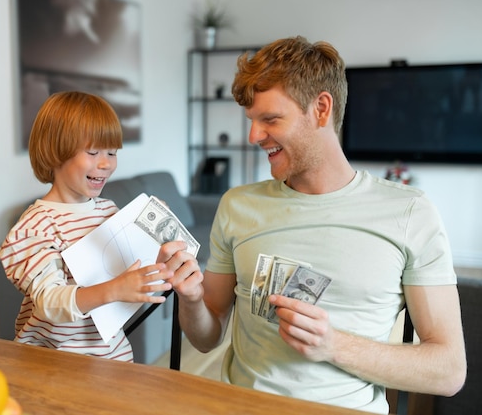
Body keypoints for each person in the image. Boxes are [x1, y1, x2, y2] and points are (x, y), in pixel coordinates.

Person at [171, 36, 466, 414]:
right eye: (251, 121)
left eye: (271, 119)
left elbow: (448, 371)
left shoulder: (411, 213)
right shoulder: (236, 205)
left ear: (321, 109)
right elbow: (206, 339)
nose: (253, 136)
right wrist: (192, 301)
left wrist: (333, 345)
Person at [0, 91, 196, 362]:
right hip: (53, 364)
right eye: (93, 152)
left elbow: (126, 282)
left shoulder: (107, 210)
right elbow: (49, 303)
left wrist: (158, 264)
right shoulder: (36, 227)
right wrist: (115, 288)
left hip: (112, 356)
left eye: (112, 152)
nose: (106, 163)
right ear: (56, 152)